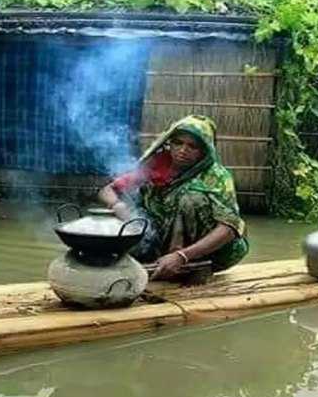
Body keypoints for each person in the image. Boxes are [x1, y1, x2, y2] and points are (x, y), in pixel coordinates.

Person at [98, 115, 249, 280]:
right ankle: (156, 260)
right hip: (158, 239)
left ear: (204, 150)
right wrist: (118, 206)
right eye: (178, 143)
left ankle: (181, 264)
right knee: (131, 216)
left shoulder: (216, 176)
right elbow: (107, 190)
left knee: (191, 198)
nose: (183, 150)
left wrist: (181, 256)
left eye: (192, 146)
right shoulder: (156, 164)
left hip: (202, 252)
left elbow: (229, 229)